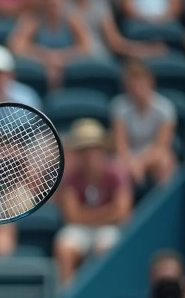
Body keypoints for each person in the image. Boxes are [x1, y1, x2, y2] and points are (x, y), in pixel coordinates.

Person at [54, 120, 133, 284]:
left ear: (102, 150)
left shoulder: (116, 173)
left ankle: (101, 294)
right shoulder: (70, 177)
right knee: (64, 247)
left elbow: (122, 212)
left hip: (109, 229)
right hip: (81, 229)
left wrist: (88, 215)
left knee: (105, 247)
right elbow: (72, 216)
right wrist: (107, 212)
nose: (89, 155)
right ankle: (68, 296)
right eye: (84, 150)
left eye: (93, 149)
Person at [67, 0, 167, 61]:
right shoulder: (66, 5)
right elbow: (82, 42)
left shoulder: (100, 3)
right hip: (75, 54)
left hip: (101, 55)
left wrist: (143, 50)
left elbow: (114, 41)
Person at [8, 0, 95, 90]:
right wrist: (46, 57)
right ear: (43, 0)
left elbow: (87, 46)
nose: (53, 2)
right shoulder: (32, 19)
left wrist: (61, 58)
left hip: (65, 64)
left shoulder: (72, 19)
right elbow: (16, 46)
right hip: (39, 66)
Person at [110, 59, 177, 188]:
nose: (136, 89)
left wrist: (139, 163)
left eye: (140, 83)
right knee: (117, 166)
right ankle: (124, 206)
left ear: (150, 82)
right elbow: (120, 146)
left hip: (152, 155)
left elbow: (161, 145)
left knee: (164, 161)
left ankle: (163, 204)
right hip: (128, 156)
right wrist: (130, 162)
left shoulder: (165, 108)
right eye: (132, 84)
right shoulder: (119, 106)